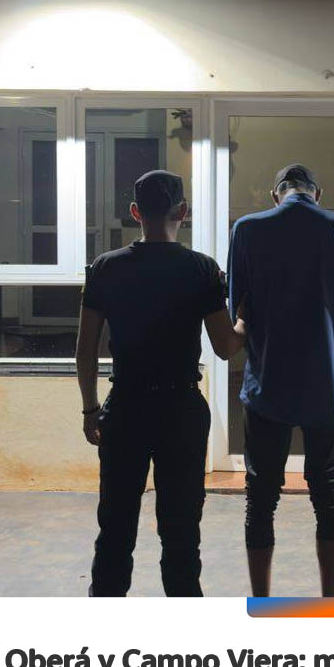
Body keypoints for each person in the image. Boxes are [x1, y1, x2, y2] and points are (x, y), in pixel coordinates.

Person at [76, 170, 245, 597]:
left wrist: (91, 408)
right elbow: (226, 347)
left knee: (115, 527)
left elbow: (85, 349)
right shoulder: (201, 269)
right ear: (182, 212)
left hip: (126, 408)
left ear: (135, 212)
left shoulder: (106, 268)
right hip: (181, 412)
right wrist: (245, 319)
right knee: (181, 530)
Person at [228, 163, 334, 598]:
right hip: (325, 384)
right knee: (327, 495)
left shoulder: (247, 229)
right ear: (317, 194)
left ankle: (262, 602)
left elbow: (237, 308)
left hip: (268, 382)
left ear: (276, 195)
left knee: (260, 498)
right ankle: (329, 603)